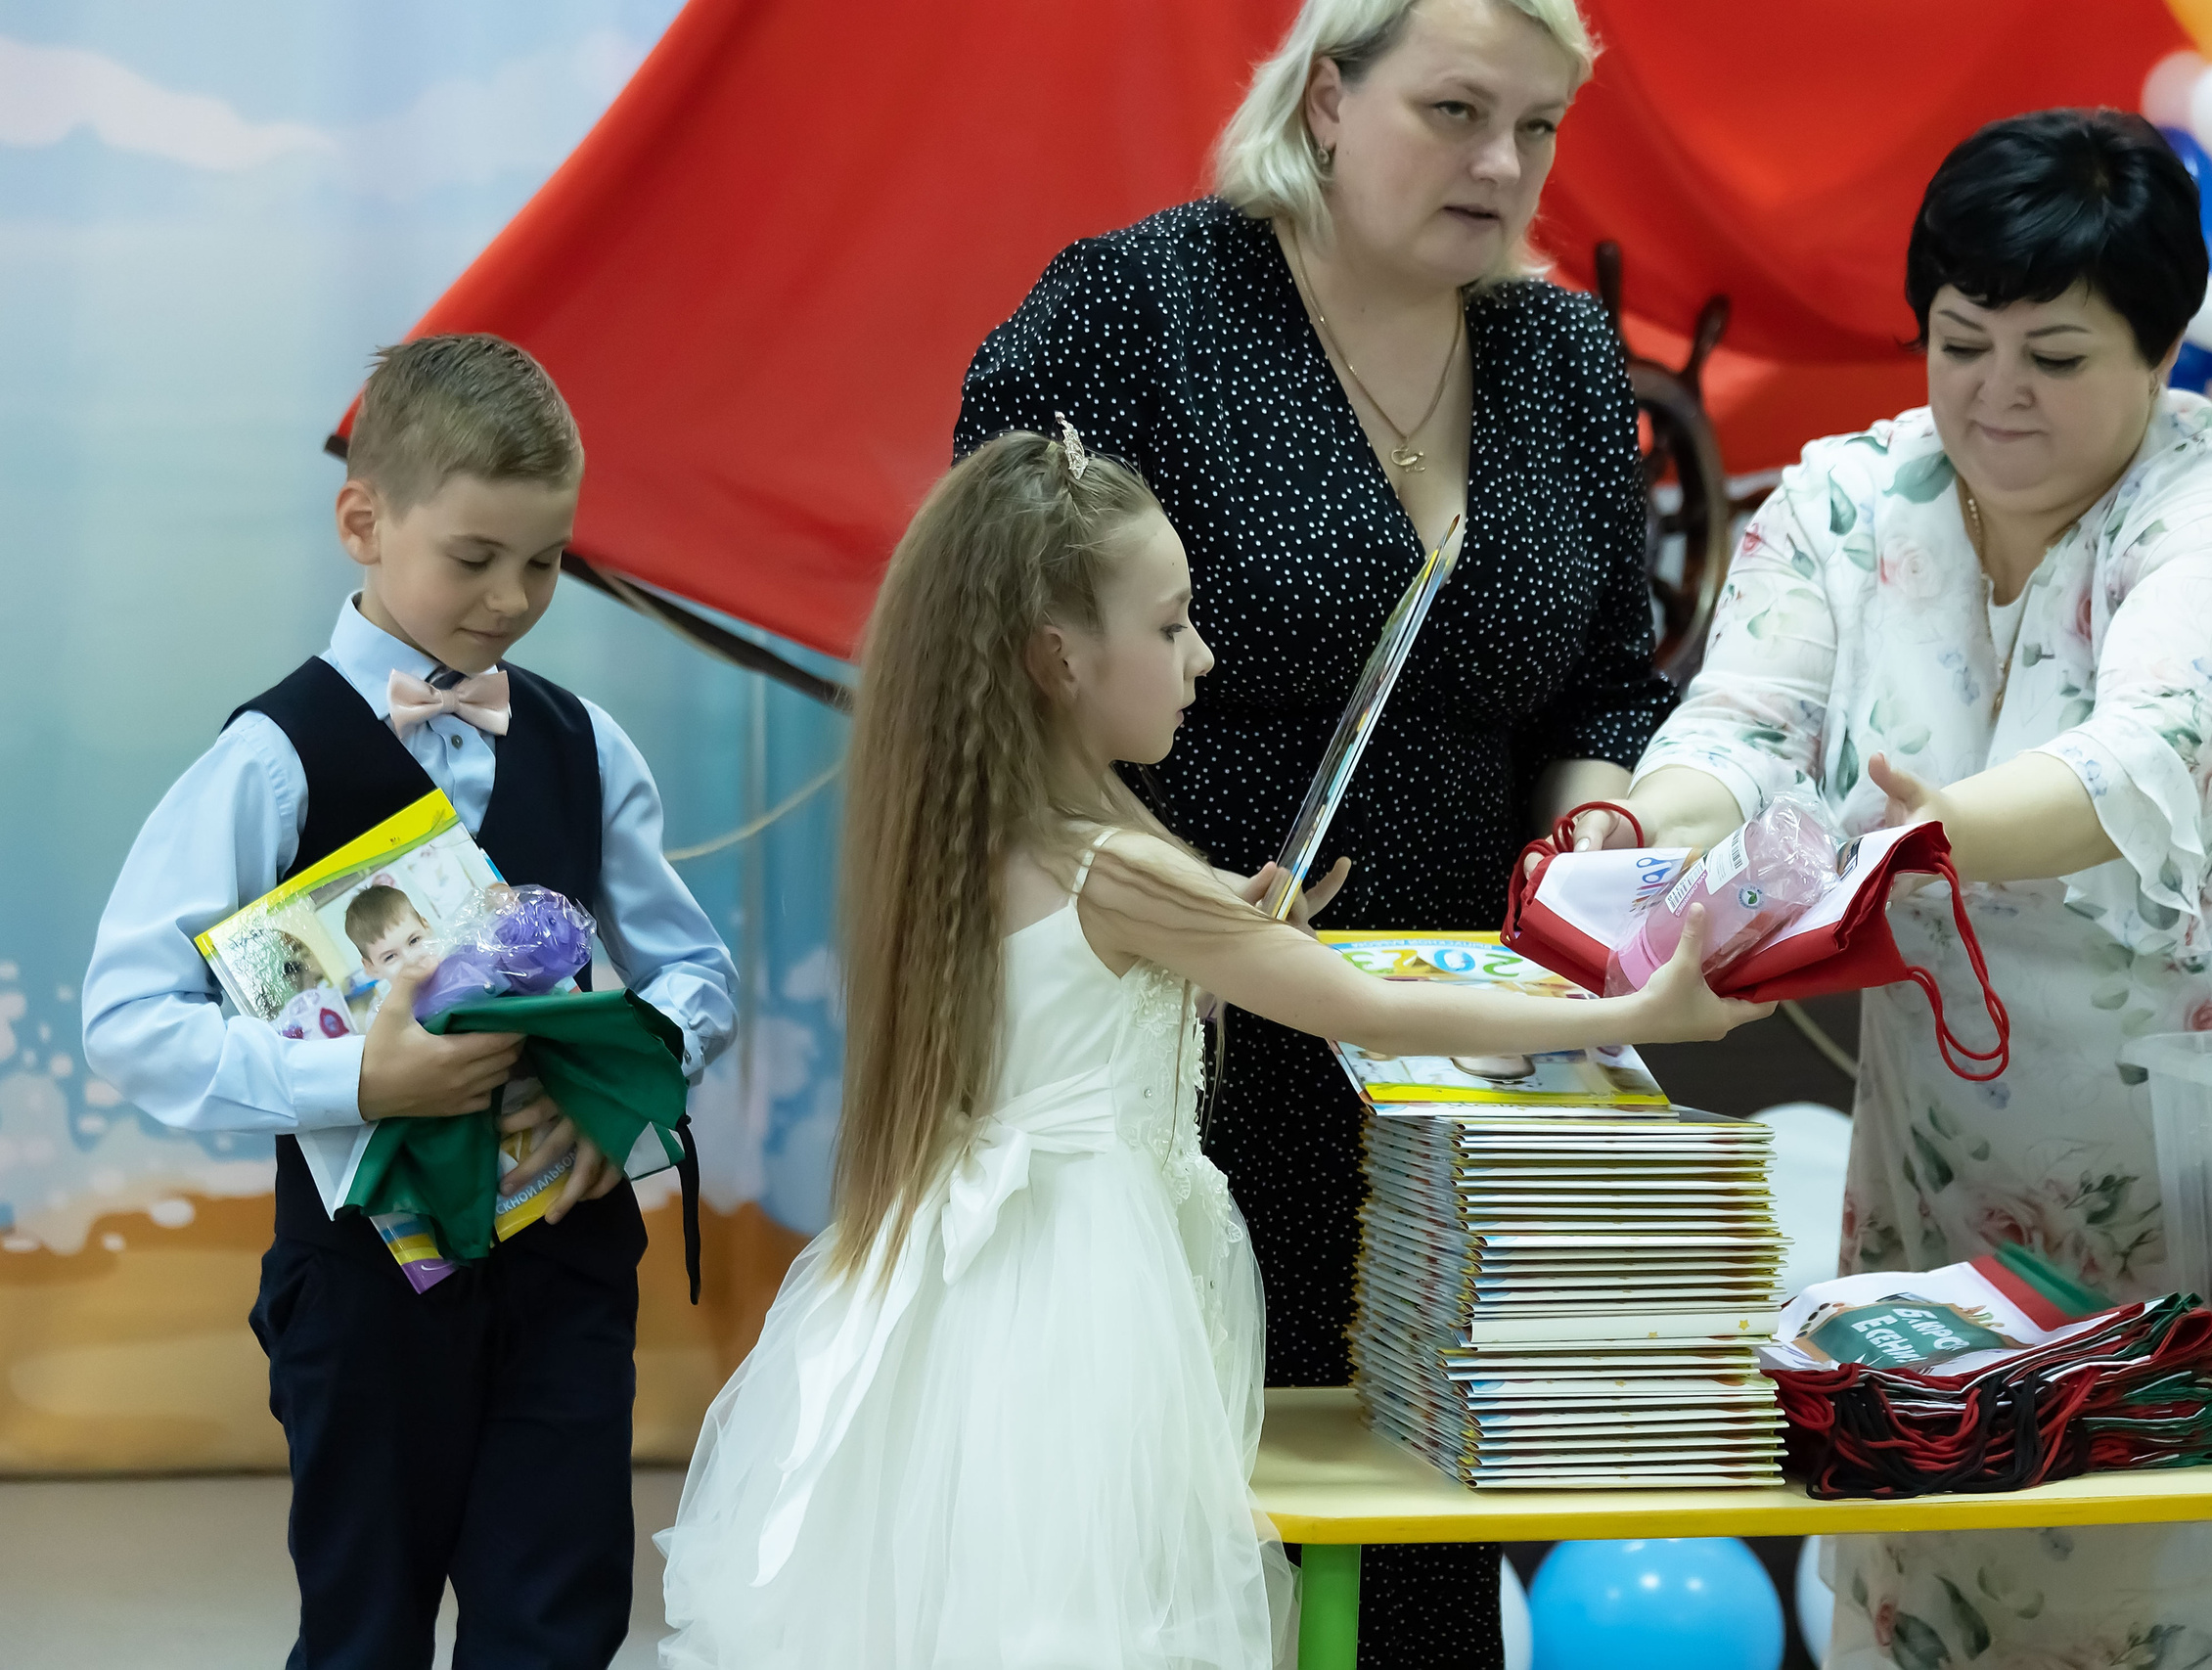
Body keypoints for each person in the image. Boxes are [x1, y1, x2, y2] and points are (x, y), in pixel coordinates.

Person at [1578, 110, 2212, 1667]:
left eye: (2056, 355)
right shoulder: (1851, 502)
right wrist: (1636, 840)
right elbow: (1745, 725)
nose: (1997, 392)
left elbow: (2148, 750)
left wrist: (1910, 841)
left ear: (2159, 350)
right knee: (1974, 1520)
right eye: (1961, 339)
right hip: (1975, 1132)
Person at [655, 427, 1765, 1667]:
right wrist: (1627, 1014)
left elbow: (1084, 1002)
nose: (1203, 657)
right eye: (1173, 625)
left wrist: (1221, 928)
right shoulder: (1117, 869)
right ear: (1059, 657)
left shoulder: (979, 839)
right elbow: (1373, 1008)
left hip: (985, 1289)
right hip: (1082, 1295)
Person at [954, 0, 1666, 1649]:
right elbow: (991, 660)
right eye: (1456, 109)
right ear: (1329, 97)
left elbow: (1608, 682)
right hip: (1176, 1028)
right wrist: (1172, 904)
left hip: (1453, 1047)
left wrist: (1600, 846)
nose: (1502, 163)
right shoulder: (1136, 310)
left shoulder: (1558, 358)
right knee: (1187, 1526)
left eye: (1540, 126)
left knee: (1420, 1513)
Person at [81, 334, 739, 1670]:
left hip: (563, 1264)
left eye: (546, 561)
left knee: (556, 1621)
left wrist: (625, 1097)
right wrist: (358, 1081)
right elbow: (126, 1016)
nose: (511, 599)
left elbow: (697, 973)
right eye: (475, 558)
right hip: (364, 1287)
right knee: (365, 1627)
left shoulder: (583, 741)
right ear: (363, 522)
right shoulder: (269, 760)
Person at [343, 883, 430, 984]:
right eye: (390, 957)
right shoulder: (393, 1000)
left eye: (414, 941)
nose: (411, 961)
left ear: (426, 927)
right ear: (372, 968)